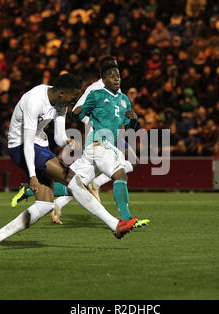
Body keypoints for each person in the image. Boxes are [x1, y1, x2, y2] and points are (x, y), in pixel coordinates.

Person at [0, 73, 137, 252]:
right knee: (74, 180)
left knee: (45, 205)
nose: (72, 103)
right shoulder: (35, 100)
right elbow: (28, 142)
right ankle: (115, 225)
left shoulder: (60, 104)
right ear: (62, 93)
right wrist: (32, 175)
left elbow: (58, 136)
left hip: (39, 145)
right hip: (21, 146)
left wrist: (67, 141)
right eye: (72, 98)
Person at [12, 57, 147, 228]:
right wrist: (93, 123)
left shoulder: (121, 96)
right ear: (104, 74)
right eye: (112, 73)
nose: (117, 77)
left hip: (112, 139)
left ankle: (32, 189)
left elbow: (129, 126)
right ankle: (126, 218)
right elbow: (77, 110)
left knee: (74, 183)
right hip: (99, 140)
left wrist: (134, 120)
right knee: (120, 172)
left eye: (118, 73)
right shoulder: (95, 90)